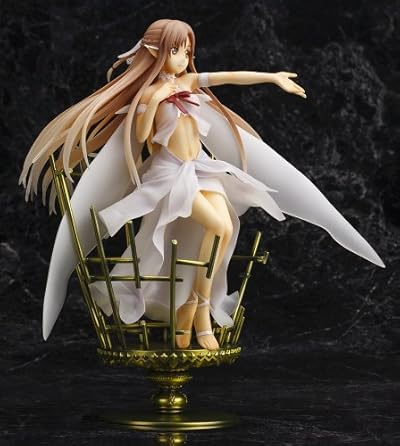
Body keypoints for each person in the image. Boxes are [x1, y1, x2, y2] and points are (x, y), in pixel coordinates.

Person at [19, 19, 384, 350]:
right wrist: (155, 100)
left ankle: (194, 307)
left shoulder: (188, 83)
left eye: (187, 52)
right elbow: (141, 136)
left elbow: (229, 76)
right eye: (177, 51)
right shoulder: (148, 95)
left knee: (227, 227)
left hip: (202, 169)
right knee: (219, 226)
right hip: (170, 175)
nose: (184, 59)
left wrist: (272, 78)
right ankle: (198, 310)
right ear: (155, 52)